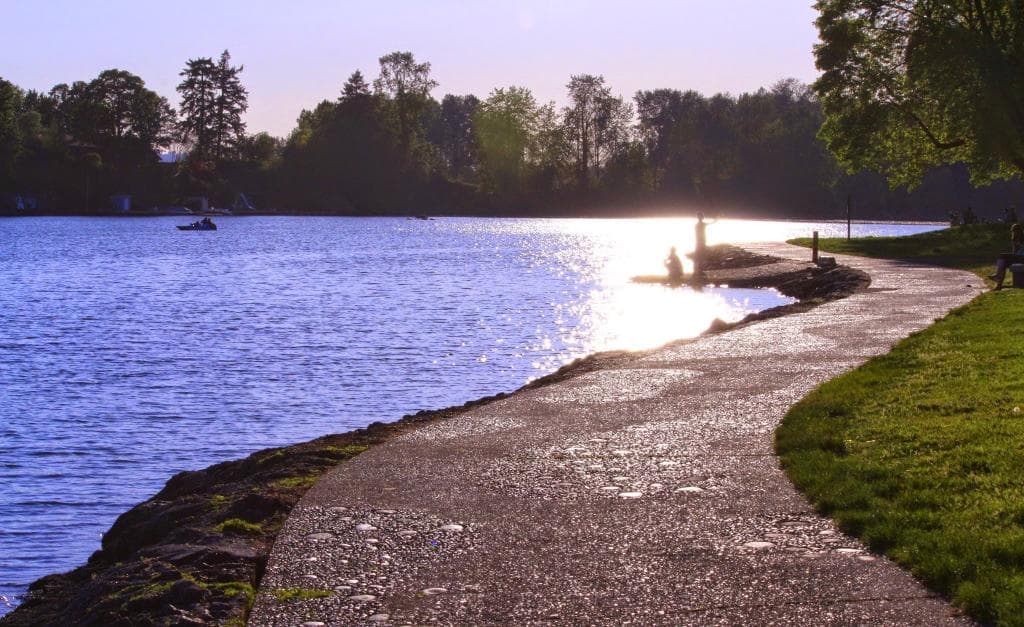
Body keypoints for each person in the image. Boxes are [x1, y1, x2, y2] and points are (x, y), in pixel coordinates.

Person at [989, 222, 1024, 289]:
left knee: (1003, 258)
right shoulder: (1015, 239)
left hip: (1022, 257)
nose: (1014, 233)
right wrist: (1015, 246)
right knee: (1003, 262)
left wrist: (1020, 244)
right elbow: (1015, 252)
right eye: (1013, 231)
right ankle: (998, 284)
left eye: (1016, 231)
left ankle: (998, 277)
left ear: (1019, 231)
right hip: (1018, 256)